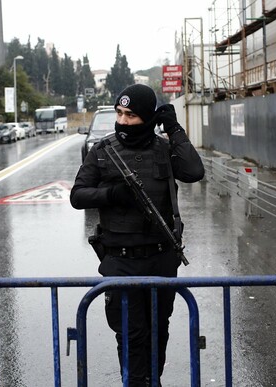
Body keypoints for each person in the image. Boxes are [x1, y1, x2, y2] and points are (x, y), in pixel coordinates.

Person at [70, 84, 204, 386]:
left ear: (146, 117)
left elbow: (194, 171)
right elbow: (78, 196)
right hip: (120, 260)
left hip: (161, 258)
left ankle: (152, 380)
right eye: (119, 113)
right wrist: (113, 194)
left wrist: (174, 128)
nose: (123, 120)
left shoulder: (164, 149)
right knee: (131, 335)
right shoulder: (102, 151)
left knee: (158, 331)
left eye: (130, 115)